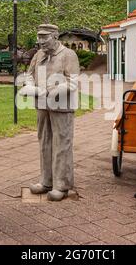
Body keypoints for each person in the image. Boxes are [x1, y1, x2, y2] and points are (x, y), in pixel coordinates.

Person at [19, 24, 80, 201]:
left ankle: (61, 185)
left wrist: (54, 90)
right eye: (39, 37)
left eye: (44, 37)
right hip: (42, 105)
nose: (40, 41)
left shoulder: (68, 55)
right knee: (45, 142)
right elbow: (29, 74)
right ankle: (46, 181)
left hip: (62, 106)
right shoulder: (39, 55)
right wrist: (30, 85)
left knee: (62, 144)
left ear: (55, 36)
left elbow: (73, 81)